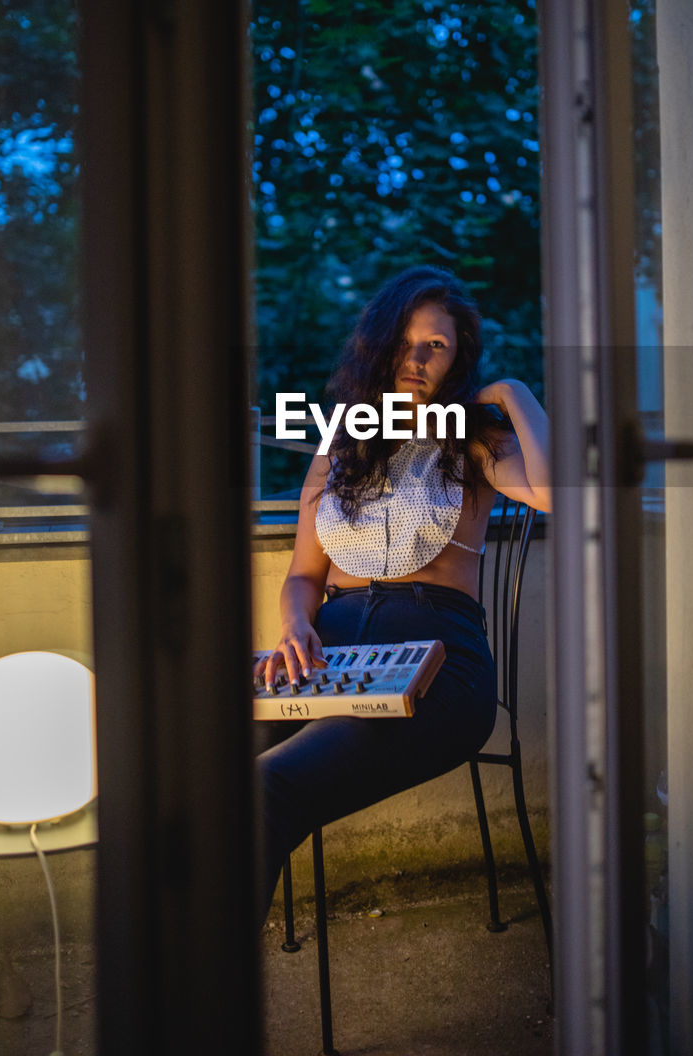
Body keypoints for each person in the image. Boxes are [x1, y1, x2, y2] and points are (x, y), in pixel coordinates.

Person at [255, 266, 550, 923]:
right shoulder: (340, 442)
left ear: (458, 357)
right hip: (327, 651)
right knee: (186, 755)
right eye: (405, 341)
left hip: (440, 656)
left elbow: (556, 492)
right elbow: (304, 576)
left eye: (437, 345)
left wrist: (513, 392)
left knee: (267, 787)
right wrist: (294, 627)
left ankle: (203, 1005)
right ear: (379, 344)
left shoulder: (476, 438)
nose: (416, 358)